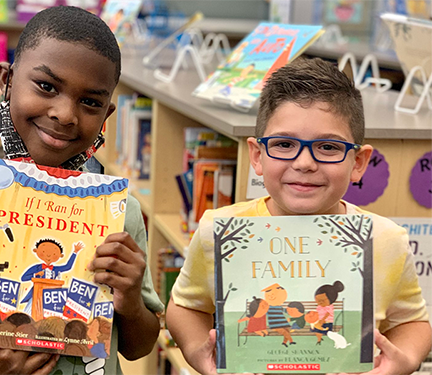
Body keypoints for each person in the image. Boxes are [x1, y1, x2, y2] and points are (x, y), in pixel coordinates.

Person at [0, 6, 163, 375]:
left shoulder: (123, 214)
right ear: (7, 80)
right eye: (46, 86)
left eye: (90, 102)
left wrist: (132, 300)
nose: (65, 114)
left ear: (107, 114)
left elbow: (139, 348)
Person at [166, 57, 432, 375]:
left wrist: (403, 361)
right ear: (257, 155)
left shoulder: (385, 239)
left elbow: (413, 321)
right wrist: (200, 356)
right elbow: (185, 307)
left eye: (329, 147)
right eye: (284, 144)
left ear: (359, 162)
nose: (304, 162)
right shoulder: (218, 232)